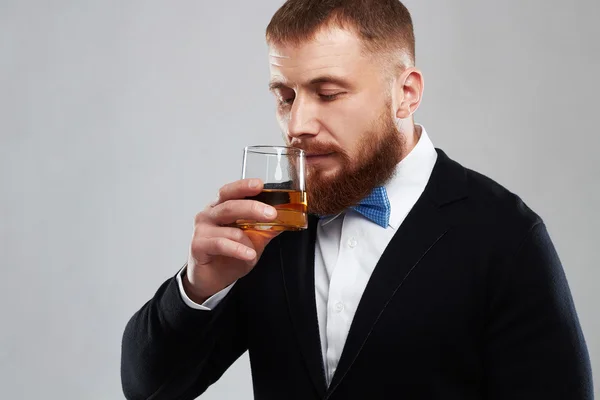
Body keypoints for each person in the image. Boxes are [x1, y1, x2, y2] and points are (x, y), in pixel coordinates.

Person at [120, 1, 593, 399]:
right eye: (285, 97)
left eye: (327, 93)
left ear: (405, 93)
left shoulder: (505, 236)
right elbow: (150, 389)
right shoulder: (267, 225)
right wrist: (199, 288)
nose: (297, 125)